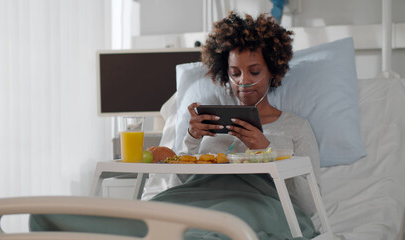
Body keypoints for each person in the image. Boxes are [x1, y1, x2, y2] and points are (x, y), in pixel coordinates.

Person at [30, 12, 320, 240]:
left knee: (203, 234)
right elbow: (178, 181)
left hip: (256, 203)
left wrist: (266, 150)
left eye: (254, 71)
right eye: (234, 73)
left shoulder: (295, 126)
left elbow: (309, 204)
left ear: (273, 70)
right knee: (51, 217)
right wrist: (193, 139)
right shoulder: (212, 124)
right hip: (192, 195)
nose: (243, 81)